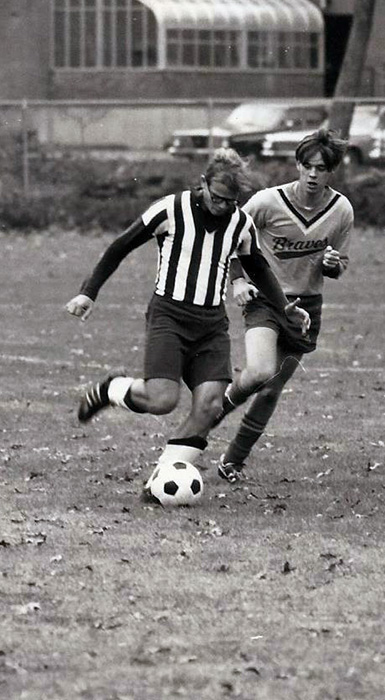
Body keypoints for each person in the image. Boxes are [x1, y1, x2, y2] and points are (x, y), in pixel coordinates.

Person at [65, 148, 310, 499]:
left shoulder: (240, 223)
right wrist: (89, 292)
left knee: (210, 406)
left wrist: (284, 308)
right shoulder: (170, 208)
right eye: (218, 198)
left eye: (231, 201)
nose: (223, 206)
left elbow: (257, 266)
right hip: (170, 315)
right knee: (161, 399)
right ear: (202, 184)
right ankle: (110, 390)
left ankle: (159, 482)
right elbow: (120, 246)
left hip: (211, 324)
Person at [212, 128, 354, 483]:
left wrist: (333, 265)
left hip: (307, 307)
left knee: (272, 388)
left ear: (331, 171)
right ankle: (206, 419)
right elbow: (230, 238)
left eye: (321, 168)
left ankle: (232, 461)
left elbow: (338, 265)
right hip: (264, 301)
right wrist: (239, 279)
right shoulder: (266, 202)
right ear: (297, 165)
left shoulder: (341, 210)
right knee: (259, 372)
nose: (312, 174)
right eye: (306, 166)